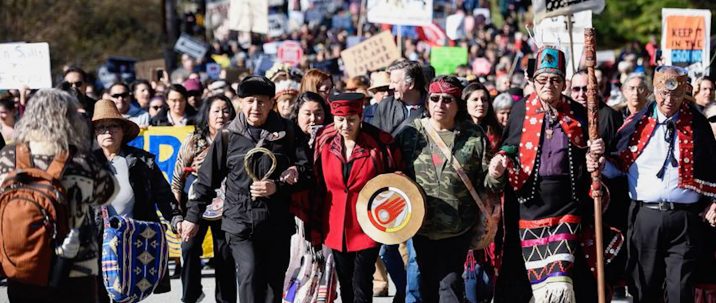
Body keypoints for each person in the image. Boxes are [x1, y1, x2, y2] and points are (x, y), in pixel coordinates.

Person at [588, 65, 716, 303]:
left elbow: (711, 167)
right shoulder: (637, 123)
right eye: (663, 93)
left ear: (685, 92)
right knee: (644, 289)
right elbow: (618, 167)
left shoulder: (698, 125)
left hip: (684, 220)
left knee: (681, 291)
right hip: (644, 218)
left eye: (675, 94)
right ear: (654, 91)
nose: (669, 100)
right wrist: (599, 161)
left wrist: (713, 201)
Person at [182, 76, 312, 303]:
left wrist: (279, 186)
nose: (255, 107)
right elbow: (205, 180)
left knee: (273, 288)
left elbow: (308, 172)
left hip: (277, 223)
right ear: (241, 102)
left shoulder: (288, 132)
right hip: (239, 222)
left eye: (261, 102)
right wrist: (192, 216)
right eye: (250, 101)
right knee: (250, 275)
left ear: (272, 102)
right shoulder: (227, 136)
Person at [494, 47, 598, 303]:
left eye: (555, 80)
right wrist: (501, 159)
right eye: (542, 79)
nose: (548, 85)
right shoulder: (521, 111)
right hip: (529, 205)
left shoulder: (578, 113)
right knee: (536, 280)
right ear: (533, 82)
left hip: (567, 205)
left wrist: (595, 152)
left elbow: (587, 149)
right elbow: (510, 144)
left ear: (564, 83)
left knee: (561, 280)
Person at [395, 76, 505, 302]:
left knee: (450, 285)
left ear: (458, 105)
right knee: (425, 285)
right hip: (421, 226)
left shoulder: (474, 137)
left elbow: (488, 185)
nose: (440, 105)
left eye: (447, 100)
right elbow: (392, 174)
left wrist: (495, 174)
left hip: (458, 227)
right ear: (427, 102)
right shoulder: (410, 134)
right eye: (434, 99)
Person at [0, 89, 115, 303]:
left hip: (23, 263)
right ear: (69, 119)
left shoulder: (8, 156)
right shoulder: (81, 160)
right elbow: (108, 193)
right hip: (77, 267)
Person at [312, 92, 401, 303]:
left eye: (351, 119)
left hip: (369, 222)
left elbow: (396, 179)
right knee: (345, 282)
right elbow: (316, 182)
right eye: (340, 120)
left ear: (361, 116)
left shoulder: (379, 143)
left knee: (361, 280)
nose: (345, 125)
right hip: (335, 223)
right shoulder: (324, 142)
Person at [171, 95, 237, 303]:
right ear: (206, 114)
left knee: (224, 255)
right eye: (216, 110)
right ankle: (191, 295)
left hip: (227, 206)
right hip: (196, 204)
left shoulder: (236, 139)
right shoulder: (194, 140)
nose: (221, 115)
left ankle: (225, 300)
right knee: (188, 247)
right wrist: (177, 213)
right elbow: (177, 177)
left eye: (225, 110)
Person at [370, 60, 427, 137]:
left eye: (395, 82)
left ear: (411, 84)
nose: (390, 87)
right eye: (391, 82)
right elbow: (374, 139)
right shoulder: (385, 106)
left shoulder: (435, 106)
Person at [570, 70, 624, 148]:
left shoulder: (610, 116)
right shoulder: (566, 114)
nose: (581, 94)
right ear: (571, 91)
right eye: (576, 89)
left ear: (596, 89)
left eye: (586, 89)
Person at [463, 82, 503, 152]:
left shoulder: (498, 131)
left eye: (484, 100)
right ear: (465, 103)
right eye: (475, 99)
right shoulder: (457, 130)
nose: (481, 104)